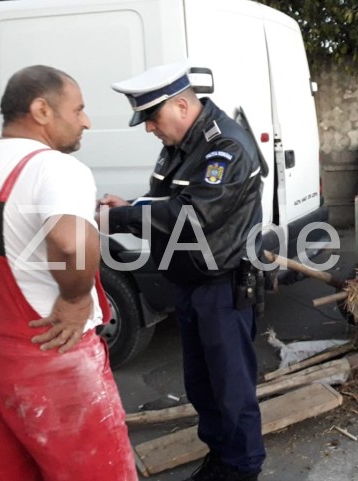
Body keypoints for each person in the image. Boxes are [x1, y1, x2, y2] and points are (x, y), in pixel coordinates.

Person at [0, 65, 136, 480]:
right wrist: (77, 299)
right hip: (50, 357)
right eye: (77, 109)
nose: (86, 121)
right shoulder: (55, 168)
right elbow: (70, 241)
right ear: (42, 110)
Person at [100, 61, 265, 481]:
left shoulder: (224, 147)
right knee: (202, 386)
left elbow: (194, 213)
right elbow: (160, 200)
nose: (149, 129)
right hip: (189, 283)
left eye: (152, 118)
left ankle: (243, 468)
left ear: (180, 106)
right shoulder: (180, 146)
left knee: (232, 389)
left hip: (222, 287)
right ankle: (221, 457)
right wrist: (131, 207)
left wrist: (121, 219)